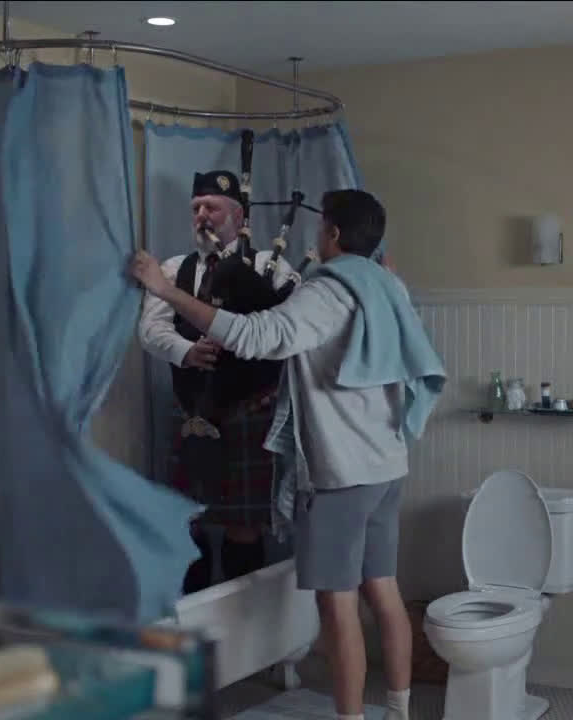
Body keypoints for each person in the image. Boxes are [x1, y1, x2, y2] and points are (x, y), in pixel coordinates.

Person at [130, 189, 445, 720]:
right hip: (387, 465)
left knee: (338, 603)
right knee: (384, 591)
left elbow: (257, 336)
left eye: (322, 227)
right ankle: (399, 709)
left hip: (342, 474)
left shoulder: (328, 293)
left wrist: (165, 290)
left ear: (334, 235)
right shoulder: (385, 284)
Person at [137, 169, 294, 592]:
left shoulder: (269, 266)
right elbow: (151, 331)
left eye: (213, 207)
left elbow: (285, 330)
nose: (203, 215)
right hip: (194, 413)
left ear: (239, 215)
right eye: (196, 208)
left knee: (245, 526)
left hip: (250, 413)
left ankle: (248, 637)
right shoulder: (173, 269)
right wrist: (185, 351)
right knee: (189, 521)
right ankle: (197, 626)